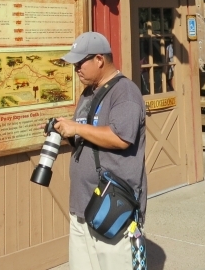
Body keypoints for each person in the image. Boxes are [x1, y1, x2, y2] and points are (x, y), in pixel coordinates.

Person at [53, 32, 146, 270]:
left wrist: (77, 128)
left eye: (80, 63)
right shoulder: (87, 94)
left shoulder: (125, 92)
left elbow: (121, 138)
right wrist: (65, 130)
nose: (76, 69)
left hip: (113, 208)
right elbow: (85, 136)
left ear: (99, 60)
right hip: (82, 205)